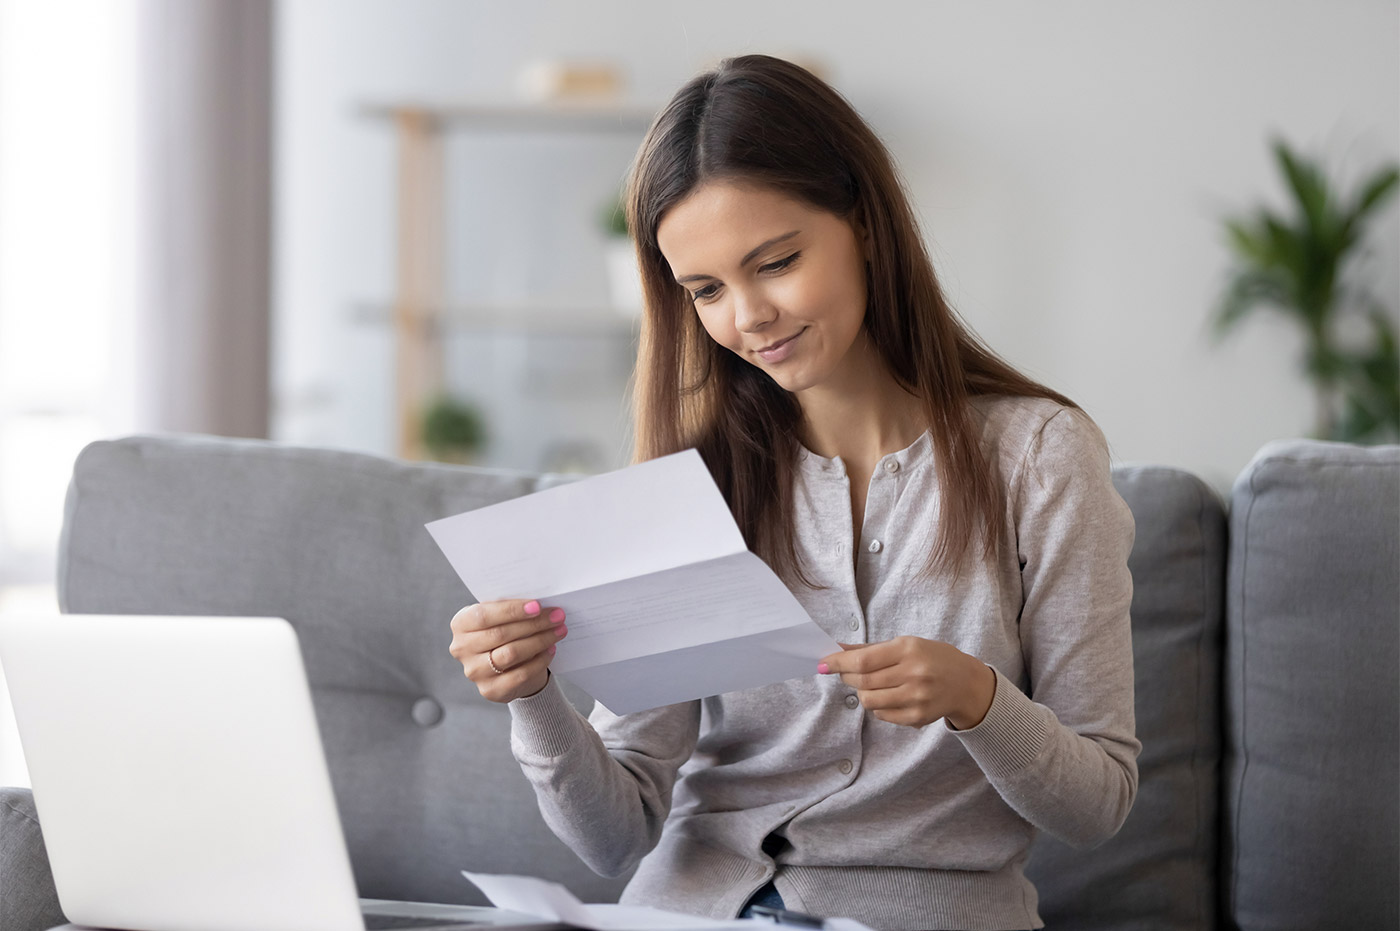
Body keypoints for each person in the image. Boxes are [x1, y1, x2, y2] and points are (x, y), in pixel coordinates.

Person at [448, 54, 1137, 931]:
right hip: (684, 912)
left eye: (774, 262)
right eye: (705, 290)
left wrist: (980, 699)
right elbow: (613, 836)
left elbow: (1099, 801)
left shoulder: (1040, 457)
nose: (747, 317)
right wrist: (534, 694)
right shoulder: (696, 481)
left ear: (866, 224)